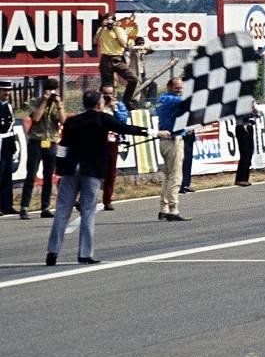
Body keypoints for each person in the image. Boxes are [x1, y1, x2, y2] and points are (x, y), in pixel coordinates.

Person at [46, 90, 161, 266]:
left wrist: (60, 168)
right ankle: (85, 254)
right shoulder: (102, 119)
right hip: (90, 170)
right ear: (99, 104)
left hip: (70, 169)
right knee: (87, 211)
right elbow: (126, 128)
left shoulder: (72, 121)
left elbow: (63, 146)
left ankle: (52, 253)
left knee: (62, 211)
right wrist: (154, 133)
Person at [20, 78, 65, 219]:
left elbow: (63, 121)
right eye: (50, 90)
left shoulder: (58, 103)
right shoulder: (34, 102)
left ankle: (45, 207)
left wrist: (58, 104)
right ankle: (24, 206)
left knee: (48, 175)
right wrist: (44, 101)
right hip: (36, 141)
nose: (53, 93)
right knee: (31, 174)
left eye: (55, 90)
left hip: (50, 141)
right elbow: (36, 119)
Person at [156, 78, 192, 221]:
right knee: (176, 177)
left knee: (168, 176)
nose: (180, 90)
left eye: (181, 88)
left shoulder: (163, 99)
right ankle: (173, 209)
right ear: (169, 87)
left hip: (166, 140)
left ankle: (163, 208)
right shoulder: (169, 100)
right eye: (177, 88)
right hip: (172, 141)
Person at [94, 13, 138, 108]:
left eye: (110, 20)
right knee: (107, 86)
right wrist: (102, 27)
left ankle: (126, 101)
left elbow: (124, 44)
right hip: (106, 58)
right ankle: (104, 106)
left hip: (118, 58)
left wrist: (114, 28)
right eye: (106, 20)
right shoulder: (101, 30)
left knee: (133, 79)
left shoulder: (120, 30)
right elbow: (95, 41)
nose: (108, 23)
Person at [98, 83, 129, 211]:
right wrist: (100, 106)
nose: (107, 96)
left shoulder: (118, 105)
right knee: (93, 171)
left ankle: (107, 200)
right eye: (105, 93)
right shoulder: (96, 104)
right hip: (97, 141)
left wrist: (115, 109)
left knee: (110, 171)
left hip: (112, 140)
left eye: (110, 93)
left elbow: (122, 121)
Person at [0, 81, 17, 215]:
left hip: (8, 144)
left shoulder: (9, 107)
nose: (7, 93)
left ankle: (7, 205)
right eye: (4, 90)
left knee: (7, 176)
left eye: (9, 90)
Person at [234, 101, 259, 186]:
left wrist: (253, 109)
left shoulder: (251, 100)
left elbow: (256, 112)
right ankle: (240, 179)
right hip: (241, 127)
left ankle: (245, 178)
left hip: (249, 126)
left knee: (250, 152)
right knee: (245, 153)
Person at [179, 130, 196, 194]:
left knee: (188, 162)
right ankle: (180, 185)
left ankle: (186, 184)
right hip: (182, 138)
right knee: (183, 162)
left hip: (190, 137)